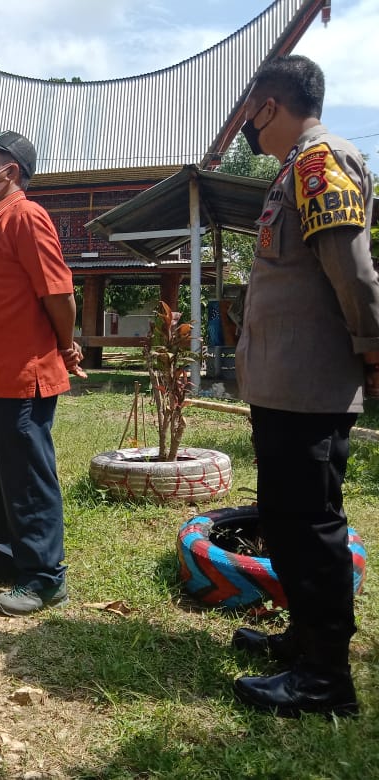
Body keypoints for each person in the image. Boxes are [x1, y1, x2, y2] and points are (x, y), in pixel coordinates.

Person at [230, 55, 379, 718]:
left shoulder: (321, 162)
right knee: (288, 524)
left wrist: (374, 349)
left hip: (311, 386)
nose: (246, 124)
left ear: (272, 104)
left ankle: (326, 680)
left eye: (250, 109)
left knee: (311, 527)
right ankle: (303, 641)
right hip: (284, 385)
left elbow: (352, 271)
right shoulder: (294, 171)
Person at [0, 130, 86, 617]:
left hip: (22, 377)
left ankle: (45, 576)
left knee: (28, 477)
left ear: (8, 171)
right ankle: (10, 556)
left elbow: (58, 294)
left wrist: (62, 343)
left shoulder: (27, 216)